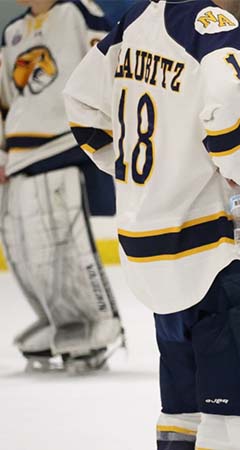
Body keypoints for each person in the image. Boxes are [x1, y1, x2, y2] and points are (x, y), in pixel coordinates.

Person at [63, 0, 240, 449]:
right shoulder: (216, 26)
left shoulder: (136, 20)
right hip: (219, 253)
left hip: (151, 254)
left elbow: (80, 103)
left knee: (183, 407)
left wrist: (142, 175)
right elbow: (227, 112)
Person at [0, 0, 122, 373]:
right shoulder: (12, 32)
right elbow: (6, 96)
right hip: (20, 153)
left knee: (63, 244)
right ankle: (58, 320)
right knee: (23, 247)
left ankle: (97, 322)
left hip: (62, 145)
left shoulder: (80, 12)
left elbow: (110, 67)